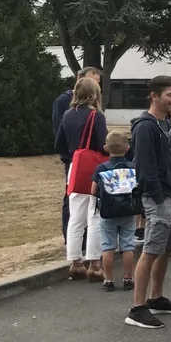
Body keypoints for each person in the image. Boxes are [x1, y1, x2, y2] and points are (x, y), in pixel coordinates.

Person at [126, 76, 171, 329]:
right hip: (160, 198)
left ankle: (156, 298)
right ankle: (137, 307)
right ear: (154, 96)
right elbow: (144, 167)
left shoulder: (170, 124)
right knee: (152, 249)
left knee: (167, 249)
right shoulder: (145, 126)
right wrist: (157, 195)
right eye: (170, 95)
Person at [55, 77, 108, 281]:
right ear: (94, 94)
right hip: (93, 169)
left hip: (75, 168)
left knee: (76, 217)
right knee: (94, 216)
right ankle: (95, 263)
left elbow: (59, 143)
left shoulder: (68, 114)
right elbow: (102, 145)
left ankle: (75, 261)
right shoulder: (96, 116)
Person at [53, 67, 102, 238]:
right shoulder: (64, 102)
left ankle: (80, 238)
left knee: (84, 199)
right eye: (92, 81)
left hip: (80, 157)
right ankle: (73, 237)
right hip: (76, 158)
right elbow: (60, 132)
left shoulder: (86, 110)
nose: (95, 86)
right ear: (79, 79)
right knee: (73, 198)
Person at [92, 130, 137, 292]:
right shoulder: (133, 167)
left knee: (108, 246)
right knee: (127, 245)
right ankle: (128, 278)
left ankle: (109, 279)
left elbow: (93, 190)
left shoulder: (101, 168)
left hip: (108, 211)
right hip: (128, 210)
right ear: (127, 148)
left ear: (105, 147)